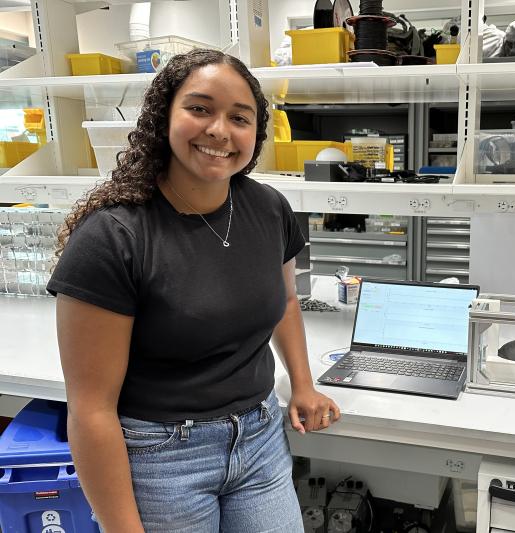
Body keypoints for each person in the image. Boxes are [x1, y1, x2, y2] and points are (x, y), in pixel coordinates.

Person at [47, 49, 340, 532]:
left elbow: (286, 299)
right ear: (164, 116)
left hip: (260, 438)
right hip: (162, 456)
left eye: (239, 118)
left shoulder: (269, 209)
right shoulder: (113, 236)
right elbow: (91, 411)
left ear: (256, 133)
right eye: (200, 108)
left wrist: (303, 385)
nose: (220, 131)